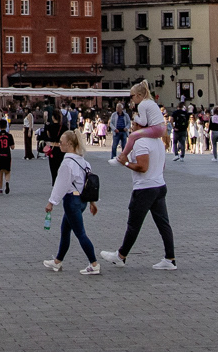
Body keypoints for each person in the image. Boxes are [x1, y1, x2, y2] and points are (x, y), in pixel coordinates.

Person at [101, 114, 176, 271]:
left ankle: (121, 256)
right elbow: (161, 167)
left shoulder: (141, 143)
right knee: (163, 224)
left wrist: (126, 163)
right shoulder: (158, 142)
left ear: (142, 127)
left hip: (145, 189)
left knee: (133, 225)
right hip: (159, 185)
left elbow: (143, 167)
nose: (132, 126)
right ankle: (170, 258)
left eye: (135, 124)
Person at [42, 130, 100, 275]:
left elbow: (60, 185)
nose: (59, 144)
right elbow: (88, 184)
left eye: (61, 142)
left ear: (69, 144)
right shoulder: (84, 162)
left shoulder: (67, 163)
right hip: (82, 201)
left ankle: (94, 263)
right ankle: (57, 261)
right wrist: (92, 202)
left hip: (71, 200)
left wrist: (51, 203)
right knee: (65, 231)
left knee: (80, 233)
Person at [41, 111, 66, 183]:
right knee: (61, 167)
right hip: (62, 149)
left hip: (52, 150)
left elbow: (46, 138)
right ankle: (61, 183)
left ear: (53, 117)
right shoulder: (64, 127)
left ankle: (54, 182)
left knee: (53, 168)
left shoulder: (50, 127)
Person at [0, 120, 15, 193]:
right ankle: (7, 182)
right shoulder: (9, 136)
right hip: (7, 155)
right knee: (7, 171)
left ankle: (0, 189)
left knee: (0, 172)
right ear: (6, 126)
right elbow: (12, 147)